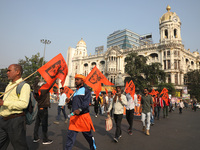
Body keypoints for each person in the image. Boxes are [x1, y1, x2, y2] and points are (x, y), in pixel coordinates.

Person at [0, 64, 30, 150]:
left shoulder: (24, 86)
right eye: (7, 71)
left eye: (9, 70)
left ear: (17, 72)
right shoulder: (9, 85)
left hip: (15, 121)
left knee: (20, 147)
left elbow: (24, 104)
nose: (7, 73)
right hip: (3, 120)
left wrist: (4, 103)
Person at [65, 74, 96, 150]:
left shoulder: (86, 90)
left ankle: (93, 148)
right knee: (70, 136)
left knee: (88, 135)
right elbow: (75, 103)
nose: (75, 81)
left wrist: (80, 110)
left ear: (82, 81)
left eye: (77, 79)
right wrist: (69, 102)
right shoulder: (75, 91)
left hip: (83, 117)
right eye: (75, 79)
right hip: (74, 117)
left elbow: (86, 103)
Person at [33, 78, 54, 145]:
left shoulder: (36, 90)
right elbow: (51, 84)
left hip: (38, 108)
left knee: (37, 123)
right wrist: (55, 77)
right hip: (43, 108)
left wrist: (36, 79)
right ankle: (45, 139)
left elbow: (35, 84)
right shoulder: (43, 90)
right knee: (44, 124)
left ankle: (35, 138)